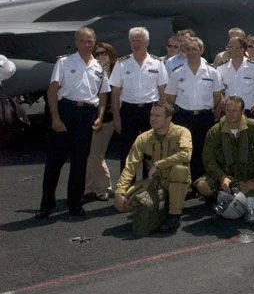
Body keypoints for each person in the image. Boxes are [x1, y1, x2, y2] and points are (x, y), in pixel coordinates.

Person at [36, 27, 110, 219]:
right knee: (54, 162)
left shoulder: (99, 67)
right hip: (66, 111)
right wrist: (55, 118)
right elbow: (52, 91)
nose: (87, 44)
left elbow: (103, 94)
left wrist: (100, 116)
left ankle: (75, 204)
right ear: (76, 42)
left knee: (79, 163)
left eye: (90, 41)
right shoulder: (64, 62)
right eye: (83, 41)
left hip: (87, 115)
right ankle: (46, 205)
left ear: (94, 42)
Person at [114, 102, 192, 233]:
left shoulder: (182, 132)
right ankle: (160, 205)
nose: (152, 119)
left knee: (180, 170)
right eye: (151, 115)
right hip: (155, 182)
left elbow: (186, 155)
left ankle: (174, 215)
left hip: (175, 181)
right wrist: (120, 190)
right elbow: (130, 166)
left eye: (157, 116)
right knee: (122, 204)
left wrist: (158, 164)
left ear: (169, 118)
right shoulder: (143, 138)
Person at [194, 96, 254, 213]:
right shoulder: (215, 131)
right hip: (225, 177)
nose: (231, 114)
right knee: (202, 186)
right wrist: (221, 177)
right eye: (228, 110)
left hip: (249, 177)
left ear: (242, 111)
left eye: (235, 110)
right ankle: (218, 198)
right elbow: (208, 160)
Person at [164, 36, 224, 184]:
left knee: (203, 152)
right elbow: (170, 98)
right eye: (188, 49)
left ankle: (201, 185)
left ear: (201, 50)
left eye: (194, 49)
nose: (191, 52)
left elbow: (218, 97)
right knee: (183, 151)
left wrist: (213, 112)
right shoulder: (177, 72)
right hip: (183, 117)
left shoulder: (212, 72)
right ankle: (183, 185)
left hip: (204, 117)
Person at [110, 27, 169, 177]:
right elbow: (115, 93)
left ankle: (148, 188)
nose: (136, 44)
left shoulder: (157, 63)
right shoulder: (121, 63)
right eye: (133, 41)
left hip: (151, 111)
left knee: (151, 153)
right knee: (127, 153)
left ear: (147, 42)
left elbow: (163, 92)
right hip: (128, 111)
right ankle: (126, 188)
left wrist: (163, 116)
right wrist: (116, 117)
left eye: (139, 40)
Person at [84, 42, 118, 202]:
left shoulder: (117, 71)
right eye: (97, 54)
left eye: (103, 53)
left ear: (110, 54)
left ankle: (102, 188)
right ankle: (90, 188)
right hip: (91, 116)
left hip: (107, 118)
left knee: (96, 155)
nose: (100, 56)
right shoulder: (92, 69)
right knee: (92, 155)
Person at [217, 36, 254, 118]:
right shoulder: (221, 68)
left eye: (232, 47)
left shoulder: (253, 67)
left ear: (242, 49)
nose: (229, 50)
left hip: (249, 111)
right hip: (230, 112)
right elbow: (216, 89)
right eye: (228, 47)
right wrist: (222, 103)